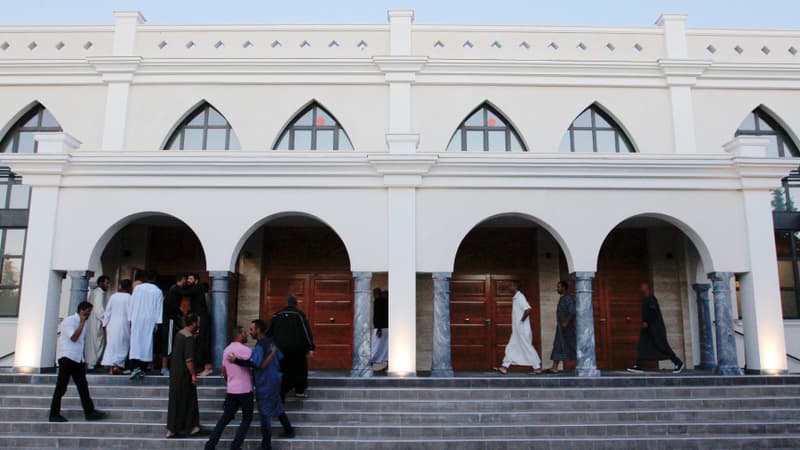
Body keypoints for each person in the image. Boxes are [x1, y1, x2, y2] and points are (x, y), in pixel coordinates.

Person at [230, 319, 295, 450]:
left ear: (258, 330)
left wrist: (236, 360)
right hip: (275, 380)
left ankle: (266, 445)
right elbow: (280, 358)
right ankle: (289, 430)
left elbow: (255, 363)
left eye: (252, 329)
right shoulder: (272, 343)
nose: (250, 332)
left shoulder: (260, 345)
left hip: (265, 383)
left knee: (265, 413)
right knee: (276, 406)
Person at [48, 301, 108, 423]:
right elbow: (74, 338)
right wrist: (81, 323)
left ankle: (89, 411)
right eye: (87, 312)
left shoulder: (84, 323)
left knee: (83, 386)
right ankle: (54, 414)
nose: (89, 314)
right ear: (81, 311)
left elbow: (81, 343)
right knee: (61, 386)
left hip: (77, 358)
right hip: (67, 358)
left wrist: (83, 359)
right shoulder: (69, 321)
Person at [205, 326, 254, 450]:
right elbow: (254, 364)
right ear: (240, 334)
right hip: (244, 389)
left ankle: (210, 445)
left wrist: (229, 382)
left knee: (224, 419)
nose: (246, 334)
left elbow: (224, 371)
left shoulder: (226, 350)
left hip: (231, 389)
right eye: (244, 333)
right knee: (246, 419)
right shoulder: (245, 350)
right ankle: (235, 446)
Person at [627, 282, 685, 374]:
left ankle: (678, 362)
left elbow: (653, 312)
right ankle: (639, 365)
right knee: (643, 346)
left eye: (643, 286)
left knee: (662, 346)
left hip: (655, 329)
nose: (641, 287)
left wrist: (646, 321)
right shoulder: (646, 299)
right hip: (648, 329)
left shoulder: (651, 299)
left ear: (647, 288)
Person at [267, 294, 315, 401]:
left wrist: (267, 346)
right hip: (297, 350)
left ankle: (280, 394)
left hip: (280, 350)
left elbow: (268, 332)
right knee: (300, 370)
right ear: (296, 303)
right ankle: (299, 391)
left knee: (282, 370)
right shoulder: (299, 315)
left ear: (287, 303)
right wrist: (311, 347)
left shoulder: (277, 315)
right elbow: (306, 332)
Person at [166, 312, 204, 438]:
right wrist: (193, 374)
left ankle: (172, 428)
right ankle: (190, 427)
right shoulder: (188, 338)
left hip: (175, 374)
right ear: (193, 323)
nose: (198, 324)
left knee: (175, 401)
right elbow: (189, 359)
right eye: (197, 322)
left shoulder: (179, 334)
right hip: (184, 375)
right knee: (188, 401)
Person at [496, 280, 542, 375]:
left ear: (515, 286)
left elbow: (528, 309)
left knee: (526, 347)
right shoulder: (516, 298)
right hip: (517, 330)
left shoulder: (520, 297)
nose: (509, 288)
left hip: (522, 329)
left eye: (510, 286)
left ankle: (537, 367)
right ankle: (504, 366)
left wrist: (521, 321)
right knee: (512, 346)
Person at [128, 270, 163, 380]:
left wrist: (130, 318)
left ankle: (135, 367)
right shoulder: (157, 291)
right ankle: (142, 367)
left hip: (137, 318)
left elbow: (132, 303)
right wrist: (157, 322)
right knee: (146, 343)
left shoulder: (138, 289)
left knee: (136, 342)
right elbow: (159, 308)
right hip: (150, 319)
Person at [101, 279, 133, 374]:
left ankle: (111, 367)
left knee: (112, 345)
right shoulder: (129, 298)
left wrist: (105, 324)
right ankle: (117, 366)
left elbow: (108, 311)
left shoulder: (113, 297)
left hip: (112, 324)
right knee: (122, 345)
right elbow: (131, 312)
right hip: (124, 324)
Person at [184, 273, 213, 376]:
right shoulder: (197, 290)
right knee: (200, 342)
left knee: (204, 342)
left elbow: (184, 292)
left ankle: (207, 367)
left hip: (202, 320)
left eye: (190, 279)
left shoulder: (197, 288)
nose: (188, 280)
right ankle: (201, 367)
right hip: (199, 319)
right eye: (188, 278)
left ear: (196, 280)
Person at [160, 274, 187, 377]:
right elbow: (173, 308)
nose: (186, 282)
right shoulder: (176, 291)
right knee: (168, 343)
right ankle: (164, 367)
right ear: (181, 280)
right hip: (170, 320)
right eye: (185, 279)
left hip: (169, 319)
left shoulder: (173, 291)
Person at [547, 280, 576, 373]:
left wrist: (566, 322)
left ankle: (581, 366)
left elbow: (572, 311)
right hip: (561, 328)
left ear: (563, 288)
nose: (557, 289)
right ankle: (554, 367)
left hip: (567, 329)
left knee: (571, 346)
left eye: (559, 287)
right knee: (558, 345)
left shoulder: (567, 298)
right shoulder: (562, 298)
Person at [84, 275, 110, 370]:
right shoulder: (98, 294)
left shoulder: (99, 293)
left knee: (96, 342)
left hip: (96, 321)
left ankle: (95, 361)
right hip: (96, 321)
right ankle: (92, 362)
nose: (108, 285)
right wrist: (105, 321)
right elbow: (99, 309)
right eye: (106, 283)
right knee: (95, 342)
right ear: (100, 283)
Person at [370, 288, 388, 370]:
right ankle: (387, 364)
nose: (374, 295)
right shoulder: (386, 302)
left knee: (374, 346)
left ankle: (367, 365)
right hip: (386, 328)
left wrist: (379, 329)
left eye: (375, 293)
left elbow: (378, 316)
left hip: (380, 329)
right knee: (385, 348)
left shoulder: (378, 301)